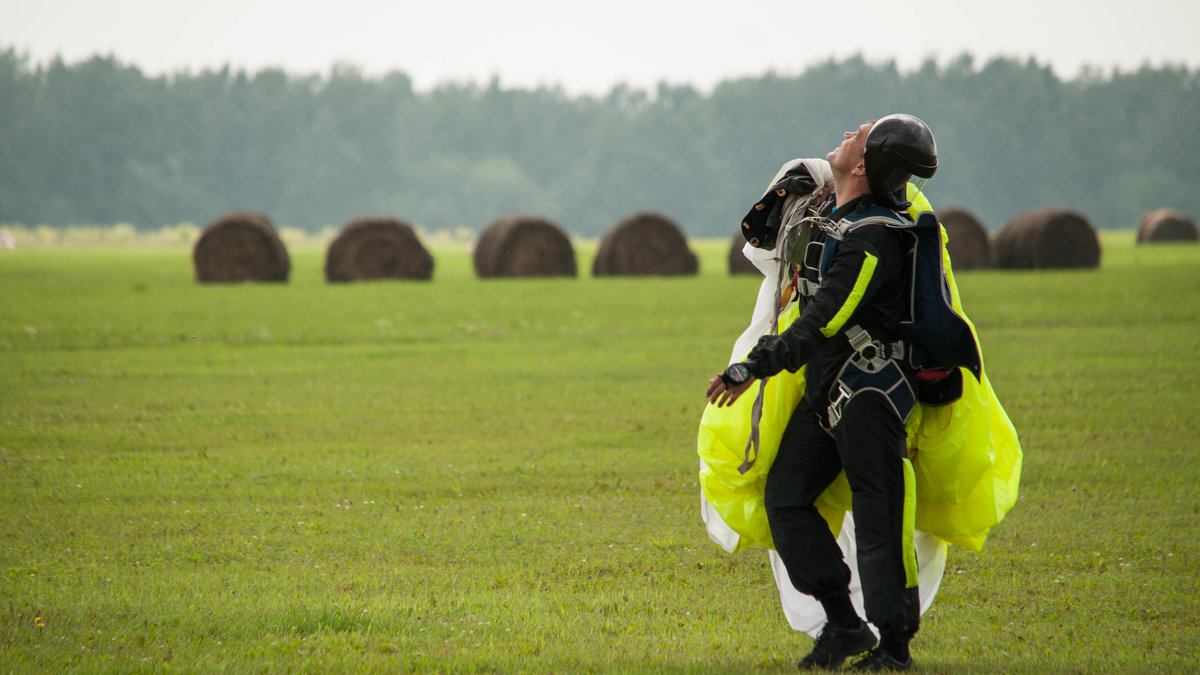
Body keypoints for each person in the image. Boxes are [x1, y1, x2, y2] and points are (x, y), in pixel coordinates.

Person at [706, 114, 941, 672]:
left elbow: (821, 321)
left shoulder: (877, 236)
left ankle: (896, 647)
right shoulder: (832, 215)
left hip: (872, 393)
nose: (845, 134)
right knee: (785, 499)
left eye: (857, 135)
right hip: (827, 390)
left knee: (879, 514)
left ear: (863, 164)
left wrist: (752, 367)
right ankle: (843, 624)